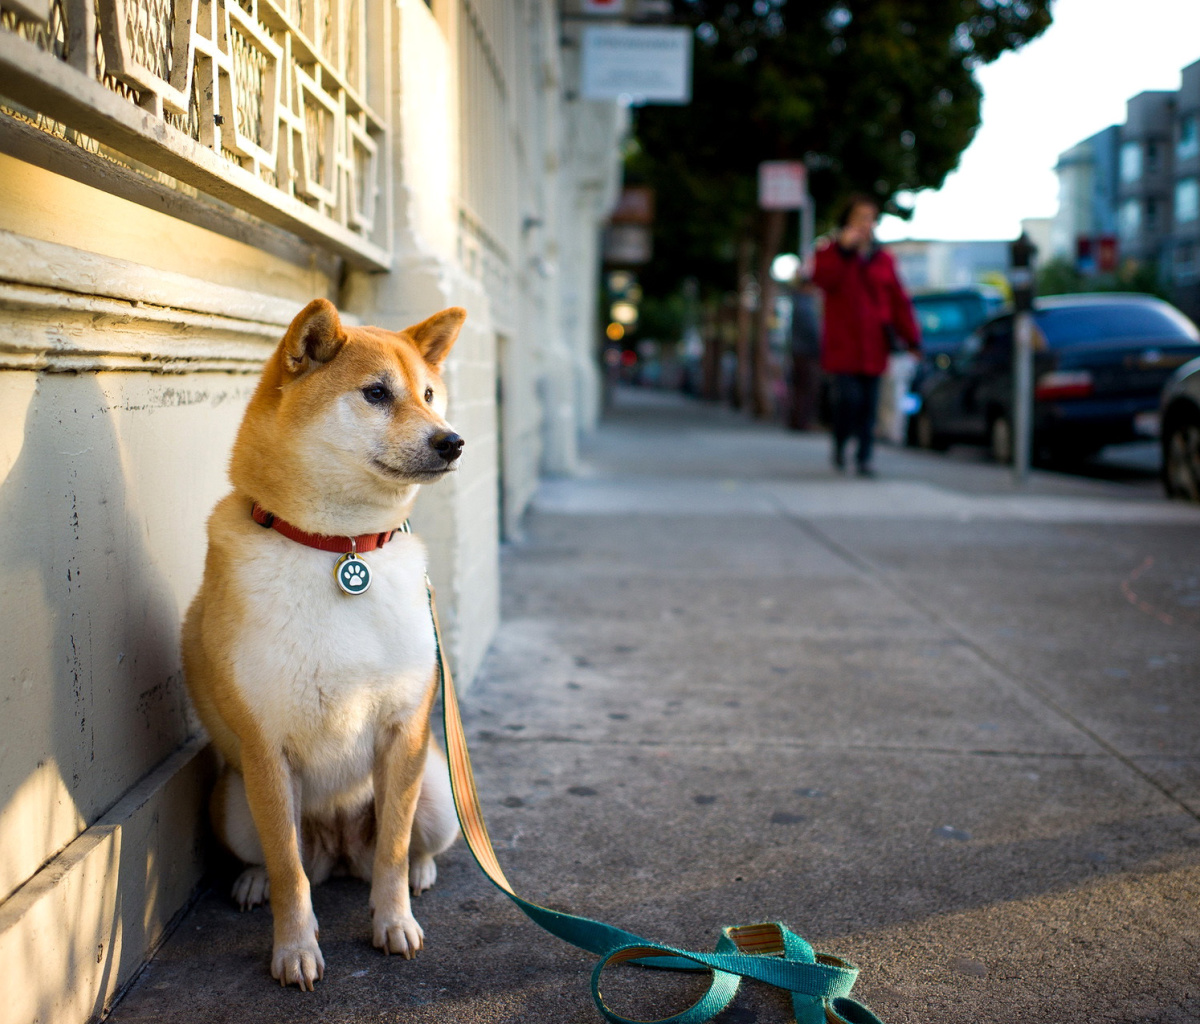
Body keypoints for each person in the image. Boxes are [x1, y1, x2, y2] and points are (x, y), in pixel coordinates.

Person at [812, 193, 920, 477]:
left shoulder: (883, 259)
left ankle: (864, 457)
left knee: (870, 404)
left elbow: (898, 300)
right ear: (847, 221)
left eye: (870, 218)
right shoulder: (830, 253)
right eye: (859, 217)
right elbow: (822, 279)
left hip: (874, 344)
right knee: (848, 399)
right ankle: (840, 442)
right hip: (843, 344)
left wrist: (912, 339)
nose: (865, 224)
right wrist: (844, 253)